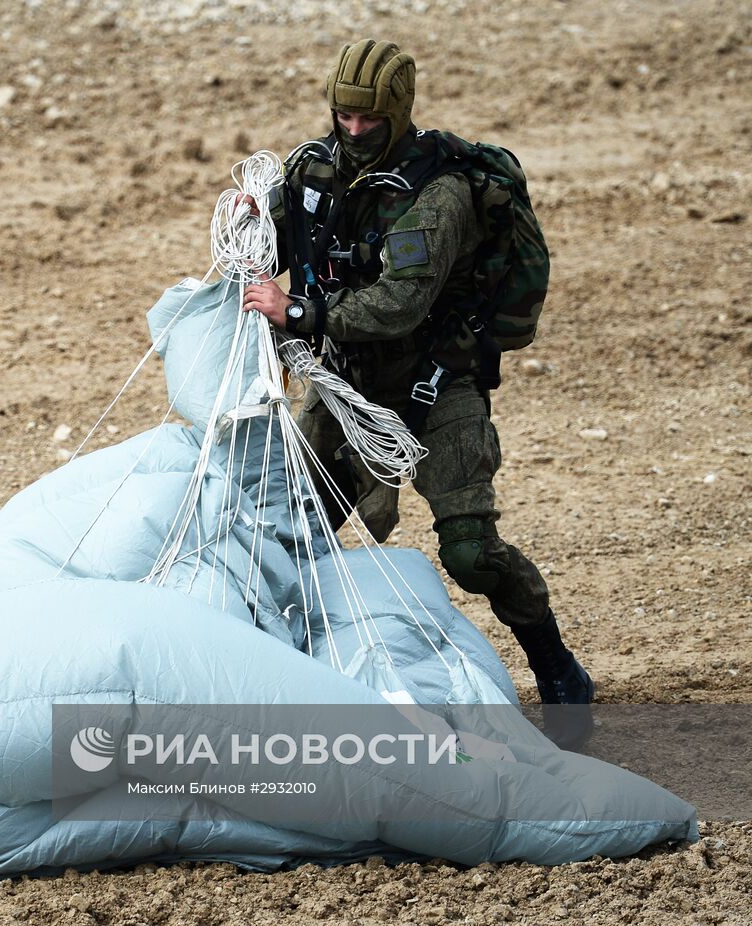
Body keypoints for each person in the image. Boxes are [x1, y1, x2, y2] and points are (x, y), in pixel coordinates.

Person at [240, 38, 594, 747]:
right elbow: (272, 248)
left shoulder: (439, 194)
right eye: (344, 113)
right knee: (287, 527)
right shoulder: (310, 171)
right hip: (346, 385)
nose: (355, 128)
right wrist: (254, 221)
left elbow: (398, 303)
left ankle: (557, 669)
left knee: (470, 553)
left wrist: (299, 313)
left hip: (434, 387)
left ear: (399, 113)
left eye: (370, 117)